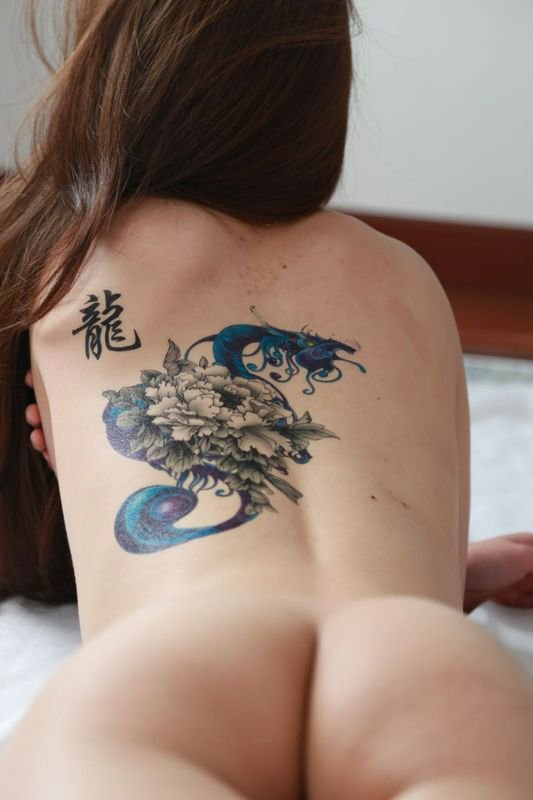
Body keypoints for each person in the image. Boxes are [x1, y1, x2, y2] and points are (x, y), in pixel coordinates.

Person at [1, 3, 533, 799]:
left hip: (178, 662)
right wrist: (466, 571)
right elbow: (414, 533)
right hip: (416, 661)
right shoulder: (407, 273)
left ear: (109, 68)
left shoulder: (52, 245)